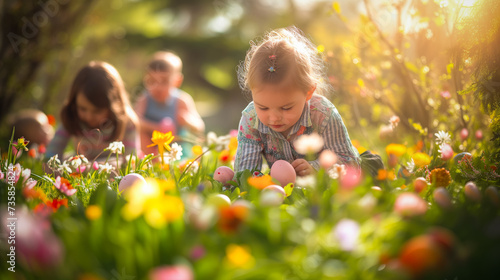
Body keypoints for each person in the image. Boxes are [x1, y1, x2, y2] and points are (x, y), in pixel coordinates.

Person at [234, 27, 361, 177]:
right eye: (263, 107)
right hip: (282, 190)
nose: (274, 118)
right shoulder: (251, 118)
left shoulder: (323, 115)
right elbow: (244, 173)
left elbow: (350, 163)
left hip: (321, 188)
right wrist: (267, 184)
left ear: (308, 92)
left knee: (370, 167)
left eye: (286, 108)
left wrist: (316, 168)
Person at [46, 61, 140, 161]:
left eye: (97, 111)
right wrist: (52, 167)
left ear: (114, 106)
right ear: (74, 102)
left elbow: (131, 160)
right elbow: (53, 150)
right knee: (67, 161)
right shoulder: (72, 117)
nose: (89, 116)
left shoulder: (127, 122)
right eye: (83, 109)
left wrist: (93, 168)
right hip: (81, 165)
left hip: (113, 167)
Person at [134, 51, 205, 157]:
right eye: (152, 81)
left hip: (175, 150)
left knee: (194, 142)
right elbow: (134, 121)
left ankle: (177, 164)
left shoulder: (181, 100)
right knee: (140, 133)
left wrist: (188, 120)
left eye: (164, 82)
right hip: (151, 147)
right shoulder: (144, 99)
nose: (157, 87)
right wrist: (156, 127)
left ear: (177, 81)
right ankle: (152, 162)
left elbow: (200, 127)